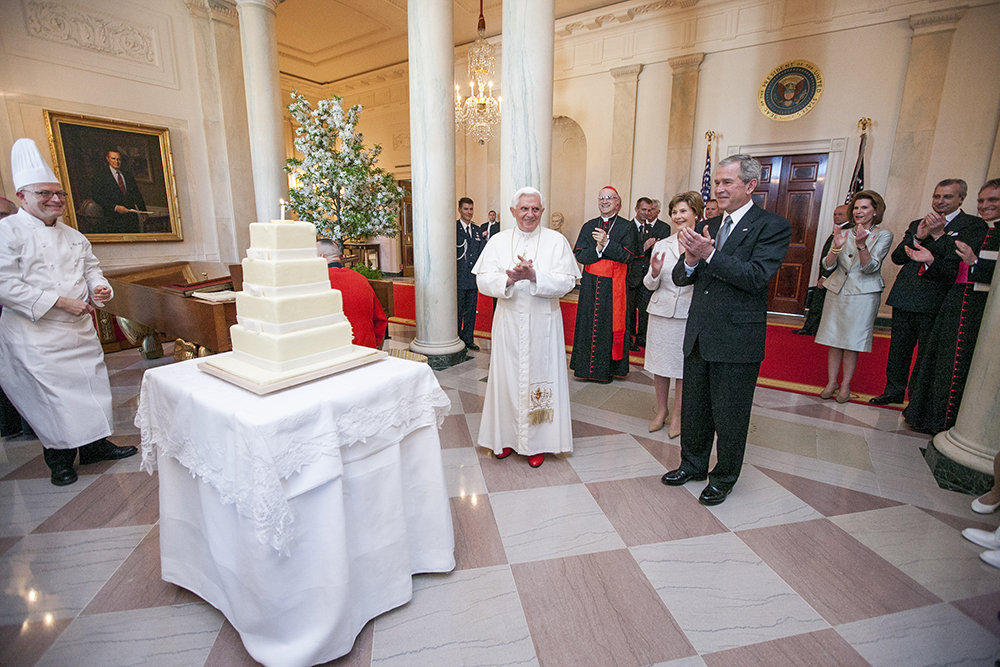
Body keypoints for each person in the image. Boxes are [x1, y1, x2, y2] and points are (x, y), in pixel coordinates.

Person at [0, 138, 136, 486]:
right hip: (37, 335)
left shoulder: (74, 235)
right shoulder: (7, 233)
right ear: (23, 197)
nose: (56, 200)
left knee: (91, 389)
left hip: (78, 331)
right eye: (45, 193)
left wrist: (100, 287)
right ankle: (60, 460)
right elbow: (5, 284)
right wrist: (61, 302)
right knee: (53, 401)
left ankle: (95, 447)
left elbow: (91, 269)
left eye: (59, 193)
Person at [661, 154, 792, 506]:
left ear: (750, 186)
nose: (718, 188)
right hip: (701, 333)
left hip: (737, 338)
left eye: (727, 182)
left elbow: (754, 277)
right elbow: (680, 278)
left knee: (730, 414)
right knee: (695, 408)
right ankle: (692, 464)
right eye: (717, 182)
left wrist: (709, 254)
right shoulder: (712, 224)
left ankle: (724, 477)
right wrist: (690, 260)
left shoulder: (772, 226)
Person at [473, 187, 580, 468]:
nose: (529, 214)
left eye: (535, 209)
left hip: (544, 323)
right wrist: (508, 280)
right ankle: (505, 438)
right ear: (513, 212)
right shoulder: (498, 241)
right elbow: (482, 280)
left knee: (540, 380)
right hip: (508, 323)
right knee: (506, 380)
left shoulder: (557, 242)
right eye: (524, 209)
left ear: (542, 212)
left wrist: (535, 276)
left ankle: (538, 443)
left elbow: (568, 281)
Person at [870, 179, 987, 405]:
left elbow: (955, 259)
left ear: (961, 198)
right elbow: (898, 257)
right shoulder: (918, 223)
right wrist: (919, 237)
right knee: (898, 350)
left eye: (947, 197)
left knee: (926, 355)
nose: (940, 201)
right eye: (936, 196)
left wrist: (939, 235)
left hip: (936, 299)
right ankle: (893, 391)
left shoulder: (972, 225)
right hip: (906, 295)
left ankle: (916, 400)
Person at [903, 179, 999, 434]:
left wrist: (973, 261)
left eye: (993, 201)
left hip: (977, 306)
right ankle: (928, 417)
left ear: (959, 199)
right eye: (982, 200)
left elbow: (979, 267)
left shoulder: (974, 225)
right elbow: (951, 265)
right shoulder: (985, 229)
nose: (985, 205)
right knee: (939, 361)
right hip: (956, 299)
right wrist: (931, 258)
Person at [814, 192, 894, 403]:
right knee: (834, 338)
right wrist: (837, 246)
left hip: (863, 294)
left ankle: (845, 386)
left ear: (875, 211)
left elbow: (871, 267)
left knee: (852, 341)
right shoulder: (843, 232)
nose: (859, 212)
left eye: (865, 208)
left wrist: (861, 244)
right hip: (838, 290)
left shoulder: (883, 235)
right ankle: (831, 382)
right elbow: (828, 265)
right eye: (857, 208)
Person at [644, 192, 700, 437]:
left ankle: (678, 415)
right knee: (661, 366)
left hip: (689, 314)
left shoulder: (705, 244)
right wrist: (654, 273)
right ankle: (661, 411)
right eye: (675, 212)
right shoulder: (662, 244)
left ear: (696, 214)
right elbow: (649, 285)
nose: (678, 216)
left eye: (683, 211)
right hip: (661, 313)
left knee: (682, 368)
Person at [570, 186, 639, 382]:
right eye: (601, 197)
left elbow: (628, 256)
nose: (605, 200)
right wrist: (599, 250)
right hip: (590, 286)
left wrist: (607, 244)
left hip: (613, 288)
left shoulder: (627, 227)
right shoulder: (588, 225)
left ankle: (608, 369)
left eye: (609, 197)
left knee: (608, 326)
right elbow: (581, 255)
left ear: (618, 202)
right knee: (587, 325)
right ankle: (584, 369)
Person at [318, 239, 387, 349]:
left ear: (321, 257)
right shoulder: (361, 279)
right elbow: (380, 319)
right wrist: (374, 344)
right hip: (367, 348)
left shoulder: (319, 282)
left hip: (336, 350)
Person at [794, 204, 850, 336]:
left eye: (840, 214)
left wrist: (825, 276)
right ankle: (812, 328)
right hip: (828, 274)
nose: (836, 217)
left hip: (833, 276)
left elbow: (839, 257)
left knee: (819, 304)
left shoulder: (847, 232)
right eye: (835, 214)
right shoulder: (839, 229)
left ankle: (812, 329)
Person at [626, 197, 670, 351]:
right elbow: (628, 252)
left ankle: (641, 337)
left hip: (648, 276)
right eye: (643, 209)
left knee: (645, 308)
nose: (646, 213)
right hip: (632, 275)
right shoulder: (627, 227)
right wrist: (644, 247)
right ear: (636, 209)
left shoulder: (651, 228)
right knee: (630, 310)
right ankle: (629, 338)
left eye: (649, 210)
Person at [90, 149, 147, 234]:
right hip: (113, 219)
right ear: (108, 159)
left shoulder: (127, 175)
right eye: (113, 159)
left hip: (131, 219)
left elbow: (136, 194)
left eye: (119, 159)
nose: (117, 162)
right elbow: (96, 196)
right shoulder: (101, 175)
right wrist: (115, 207)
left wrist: (143, 211)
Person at [456, 196, 483, 351]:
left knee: (471, 311)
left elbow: (480, 253)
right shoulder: (454, 229)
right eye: (466, 209)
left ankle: (468, 338)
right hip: (459, 278)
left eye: (471, 209)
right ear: (460, 210)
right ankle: (458, 338)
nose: (469, 212)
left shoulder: (477, 230)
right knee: (459, 311)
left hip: (472, 279)